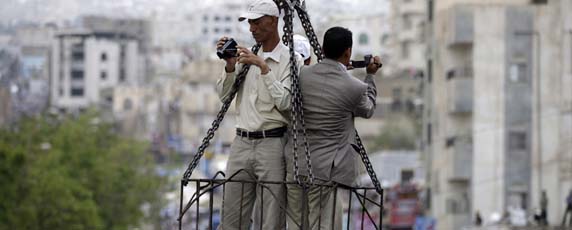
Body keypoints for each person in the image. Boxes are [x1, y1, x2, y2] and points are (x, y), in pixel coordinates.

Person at [215, 0, 303, 229]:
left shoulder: (291, 60)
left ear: (273, 21)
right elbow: (225, 97)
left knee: (270, 218)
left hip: (272, 144)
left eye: (257, 22)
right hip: (241, 143)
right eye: (250, 23)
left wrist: (264, 68)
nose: (252, 29)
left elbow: (286, 103)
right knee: (231, 217)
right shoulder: (245, 58)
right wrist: (230, 66)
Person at [285, 26, 381, 229]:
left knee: (294, 222)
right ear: (348, 52)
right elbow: (368, 109)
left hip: (296, 164)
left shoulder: (301, 75)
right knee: (322, 224)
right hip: (326, 171)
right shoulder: (354, 87)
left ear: (322, 48)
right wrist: (370, 76)